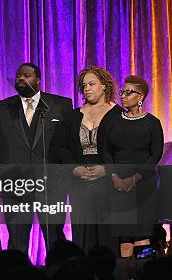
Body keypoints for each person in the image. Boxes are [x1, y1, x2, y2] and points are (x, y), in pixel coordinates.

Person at [0, 63, 73, 254]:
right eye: (18, 76)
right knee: (17, 239)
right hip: (14, 184)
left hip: (52, 184)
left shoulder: (61, 105)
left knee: (55, 238)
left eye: (26, 75)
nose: (21, 79)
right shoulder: (0, 109)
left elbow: (68, 144)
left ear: (38, 80)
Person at [51, 66, 122, 252]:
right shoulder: (73, 116)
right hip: (79, 183)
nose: (87, 89)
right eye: (84, 86)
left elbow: (125, 149)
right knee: (83, 233)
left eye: (92, 84)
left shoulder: (118, 115)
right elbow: (60, 146)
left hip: (109, 182)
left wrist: (106, 169)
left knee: (108, 233)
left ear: (104, 86)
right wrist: (73, 168)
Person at [103, 75, 164, 257]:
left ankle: (142, 278)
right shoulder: (113, 121)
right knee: (124, 235)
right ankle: (126, 279)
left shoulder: (152, 123)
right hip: (118, 184)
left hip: (143, 183)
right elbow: (106, 151)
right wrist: (114, 177)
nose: (123, 96)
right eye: (123, 92)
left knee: (142, 233)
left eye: (129, 93)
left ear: (140, 97)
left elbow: (155, 155)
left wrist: (134, 179)